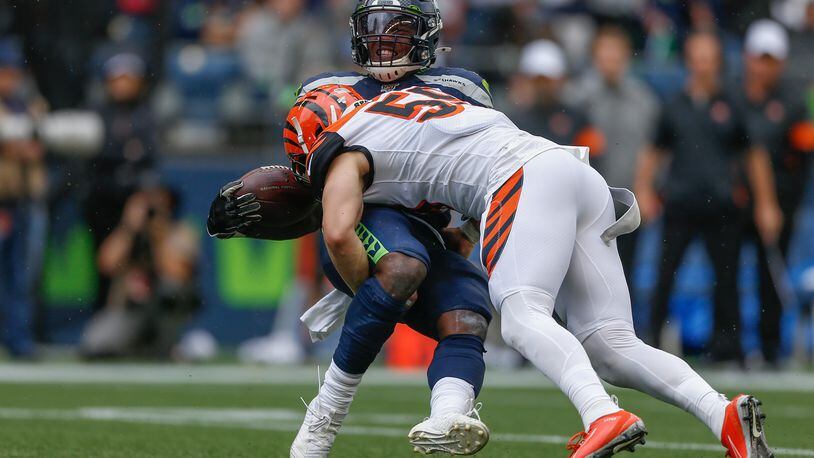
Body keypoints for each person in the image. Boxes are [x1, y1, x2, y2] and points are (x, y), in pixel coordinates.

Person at [295, 84, 773, 458]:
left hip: (521, 178)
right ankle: (722, 415)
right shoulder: (410, 103)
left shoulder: (347, 147)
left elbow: (339, 233)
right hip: (572, 172)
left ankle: (601, 414)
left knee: (522, 315)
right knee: (610, 342)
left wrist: (369, 290)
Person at [207, 1, 495, 455]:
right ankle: (326, 412)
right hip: (364, 216)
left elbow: (487, 170)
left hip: (430, 229)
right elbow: (313, 185)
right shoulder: (327, 91)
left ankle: (447, 416)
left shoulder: (460, 87)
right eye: (374, 28)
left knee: (469, 315)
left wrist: (470, 232)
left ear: (427, 35)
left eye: (397, 30)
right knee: (401, 268)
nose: (383, 40)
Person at [634, 31, 782, 364]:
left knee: (726, 279)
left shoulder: (732, 105)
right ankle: (651, 341)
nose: (702, 65)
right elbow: (653, 151)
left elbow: (753, 156)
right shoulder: (673, 105)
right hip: (680, 202)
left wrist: (766, 203)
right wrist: (643, 189)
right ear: (688, 60)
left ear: (717, 62)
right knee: (664, 275)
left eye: (708, 58)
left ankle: (727, 347)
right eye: (697, 57)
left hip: (723, 206)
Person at [737, 19, 814, 367]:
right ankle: (729, 347)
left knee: (772, 276)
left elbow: (800, 155)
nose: (762, 66)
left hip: (780, 203)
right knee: (727, 272)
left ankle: (769, 348)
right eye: (758, 57)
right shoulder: (733, 97)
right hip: (737, 201)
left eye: (770, 59)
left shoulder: (793, 103)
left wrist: (780, 203)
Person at [567, 26, 660, 287]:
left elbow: (652, 148)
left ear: (627, 56)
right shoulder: (575, 97)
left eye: (616, 53)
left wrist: (649, 187)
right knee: (582, 276)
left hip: (629, 203)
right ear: (594, 56)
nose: (611, 59)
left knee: (625, 273)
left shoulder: (643, 99)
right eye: (605, 52)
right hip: (586, 202)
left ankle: (623, 328)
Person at [81, 185, 200, 359]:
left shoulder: (181, 231)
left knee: (171, 289)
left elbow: (178, 274)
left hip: (164, 313)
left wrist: (158, 235)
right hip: (131, 309)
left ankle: (168, 346)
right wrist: (129, 227)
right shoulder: (130, 233)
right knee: (96, 343)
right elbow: (106, 264)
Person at [86, 52, 159, 311]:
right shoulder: (97, 112)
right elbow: (97, 153)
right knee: (104, 261)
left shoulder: (146, 113)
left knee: (142, 260)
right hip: (101, 199)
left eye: (128, 79)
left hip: (135, 199)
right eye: (118, 79)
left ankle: (140, 318)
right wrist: (124, 152)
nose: (123, 85)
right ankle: (102, 313)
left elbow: (148, 155)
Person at [0, 40, 48, 359]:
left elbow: (39, 146)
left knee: (19, 274)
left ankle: (18, 338)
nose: (10, 77)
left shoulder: (27, 106)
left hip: (21, 199)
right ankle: (16, 337)